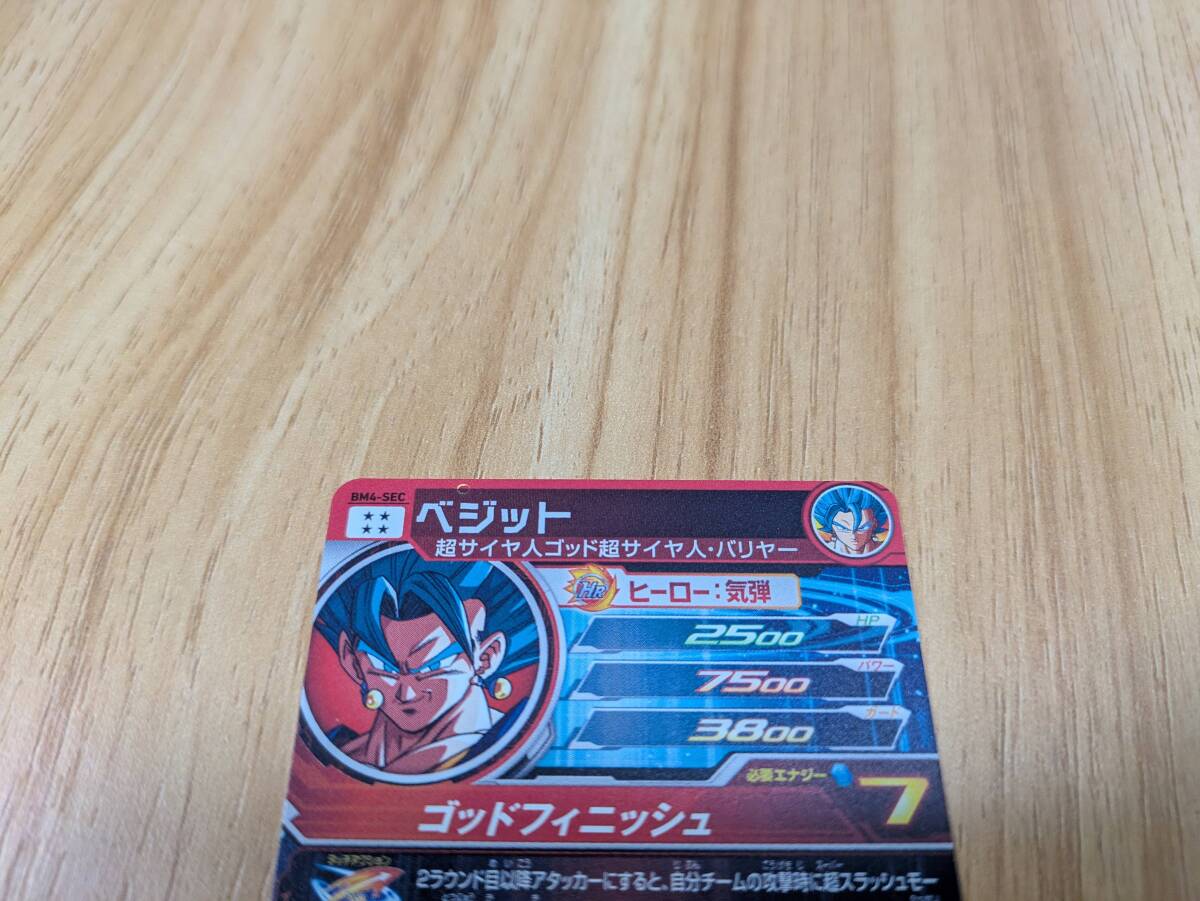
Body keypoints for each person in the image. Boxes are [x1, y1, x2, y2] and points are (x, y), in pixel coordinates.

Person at [314, 555, 536, 774]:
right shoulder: (338, 755)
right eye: (384, 669)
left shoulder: (508, 740)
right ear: (352, 662)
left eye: (432, 667)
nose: (406, 694)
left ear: (486, 658)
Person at [812, 486, 889, 557]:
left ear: (875, 524)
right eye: (842, 528)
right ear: (832, 527)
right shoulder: (821, 553)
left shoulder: (885, 551)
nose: (853, 536)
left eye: (862, 528)